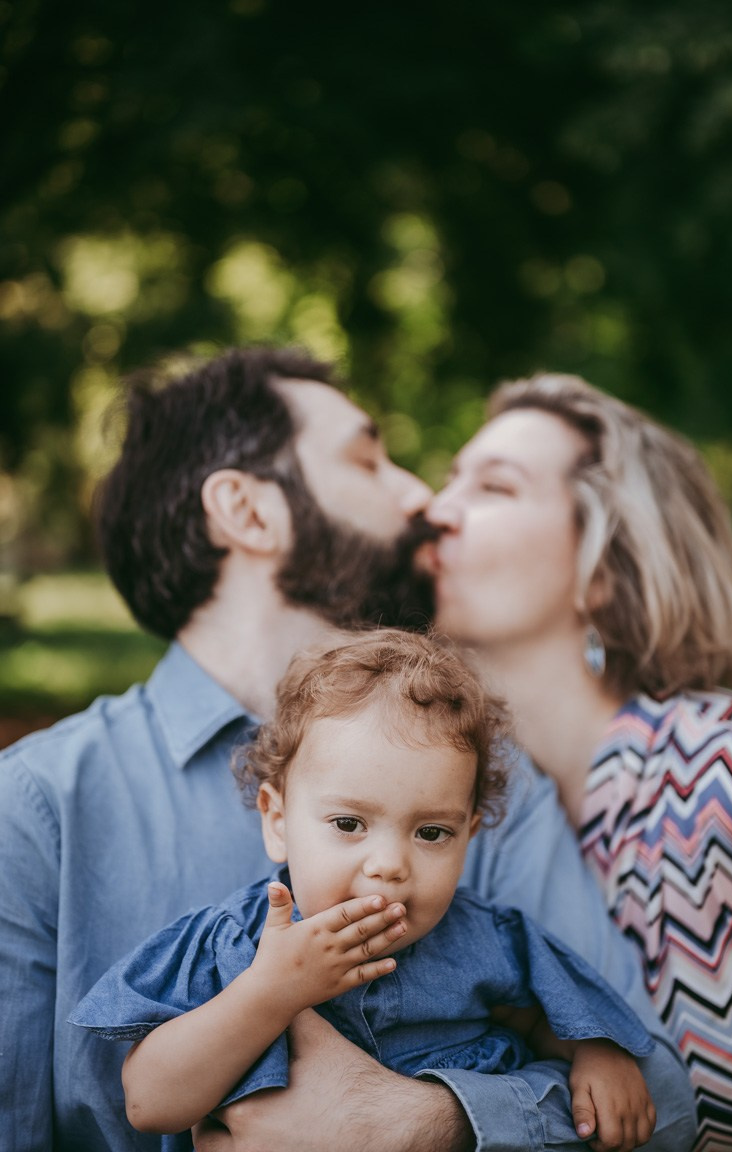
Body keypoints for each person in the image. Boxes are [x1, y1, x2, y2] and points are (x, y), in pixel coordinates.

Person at [0, 347, 696, 1152]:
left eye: (431, 834)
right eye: (369, 458)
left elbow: (665, 1105)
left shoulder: (476, 774)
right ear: (247, 510)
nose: (421, 497)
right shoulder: (35, 810)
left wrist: (428, 1124)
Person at [72, 630, 658, 1152]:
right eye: (349, 824)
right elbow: (150, 1104)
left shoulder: (489, 940)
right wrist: (269, 992)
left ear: (470, 834)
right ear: (277, 820)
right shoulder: (237, 945)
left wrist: (594, 1053)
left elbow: (535, 1019)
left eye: (432, 833)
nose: (389, 865)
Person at [422, 370, 732, 1152]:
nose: (434, 511)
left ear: (603, 567)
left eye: (493, 486)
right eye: (448, 480)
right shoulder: (433, 821)